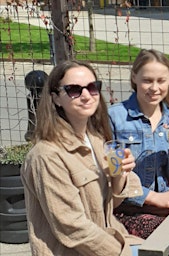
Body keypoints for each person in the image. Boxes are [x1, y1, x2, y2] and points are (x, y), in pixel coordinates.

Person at [21, 60, 143, 255]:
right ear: (56, 98)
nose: (86, 95)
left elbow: (112, 203)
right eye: (74, 90)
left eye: (93, 87)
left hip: (110, 241)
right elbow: (72, 227)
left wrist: (120, 174)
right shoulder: (46, 156)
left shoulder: (96, 140)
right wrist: (123, 252)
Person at [108, 49, 169, 239]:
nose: (154, 88)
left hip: (165, 202)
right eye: (147, 80)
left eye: (161, 81)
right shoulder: (115, 117)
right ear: (134, 78)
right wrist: (153, 197)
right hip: (128, 208)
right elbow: (111, 178)